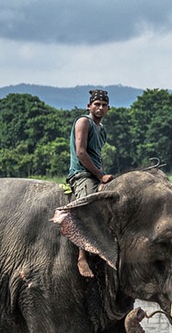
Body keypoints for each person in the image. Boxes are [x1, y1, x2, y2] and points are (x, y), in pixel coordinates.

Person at [67, 88, 114, 277]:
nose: (100, 108)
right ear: (89, 106)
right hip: (82, 174)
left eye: (103, 105)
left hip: (95, 174)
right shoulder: (83, 122)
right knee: (87, 207)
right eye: (97, 104)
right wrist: (99, 175)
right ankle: (82, 257)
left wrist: (103, 175)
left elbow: (97, 157)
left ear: (108, 108)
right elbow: (81, 152)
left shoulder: (101, 130)